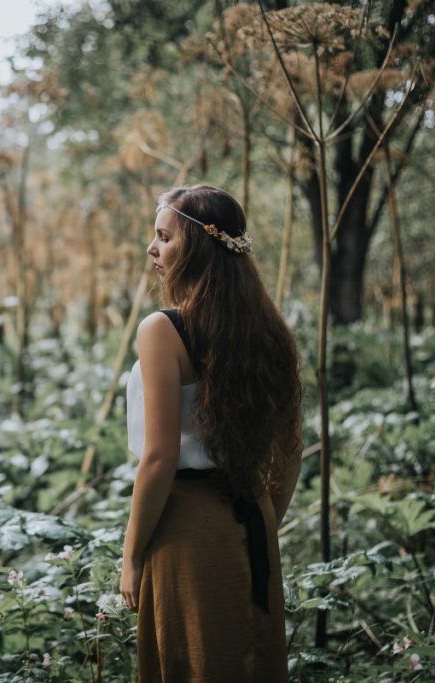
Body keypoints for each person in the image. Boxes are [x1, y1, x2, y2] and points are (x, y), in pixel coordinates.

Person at [120, 185, 303, 682]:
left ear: (197, 247)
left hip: (185, 527)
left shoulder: (162, 331)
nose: (152, 248)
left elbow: (158, 458)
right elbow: (289, 455)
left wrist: (132, 554)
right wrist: (261, 520)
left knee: (195, 662)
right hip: (254, 520)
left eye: (164, 236)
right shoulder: (271, 330)